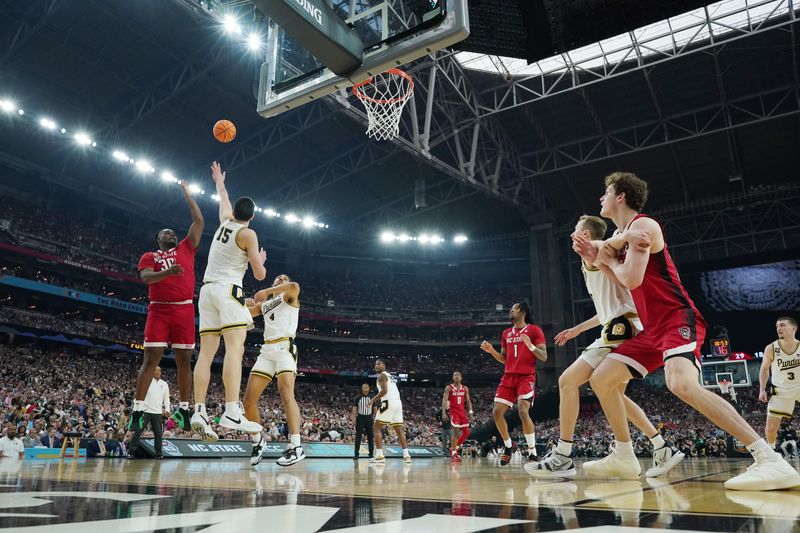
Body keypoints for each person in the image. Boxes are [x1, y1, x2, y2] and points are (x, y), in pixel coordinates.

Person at [573, 171, 800, 490]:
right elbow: (622, 282)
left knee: (680, 383)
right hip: (652, 328)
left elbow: (633, 279)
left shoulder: (644, 225)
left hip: (676, 317)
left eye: (606, 192)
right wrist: (603, 255)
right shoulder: (624, 235)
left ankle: (768, 458)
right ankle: (624, 455)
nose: (601, 198)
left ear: (620, 196)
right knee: (601, 379)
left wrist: (607, 256)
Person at [527, 215, 683, 479]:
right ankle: (661, 446)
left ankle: (563, 456)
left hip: (621, 328)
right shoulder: (600, 259)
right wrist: (578, 329)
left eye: (577, 230)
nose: (573, 235)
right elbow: (605, 310)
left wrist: (623, 237)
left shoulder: (595, 252)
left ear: (585, 235)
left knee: (567, 382)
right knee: (615, 394)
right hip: (624, 324)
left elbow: (604, 244)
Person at [192, 161, 267, 441]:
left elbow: (223, 199)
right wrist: (260, 260)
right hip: (227, 290)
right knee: (235, 347)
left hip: (207, 291)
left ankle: (199, 410)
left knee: (206, 353)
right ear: (253, 217)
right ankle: (232, 410)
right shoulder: (248, 233)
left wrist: (220, 182)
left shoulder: (225, 221)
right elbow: (259, 276)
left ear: (234, 212)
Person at [134, 180, 203, 433]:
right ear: (157, 239)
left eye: (173, 232)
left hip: (184, 309)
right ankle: (137, 409)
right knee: (150, 361)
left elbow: (199, 222)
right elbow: (146, 278)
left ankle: (184, 408)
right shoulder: (149, 256)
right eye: (166, 233)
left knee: (185, 361)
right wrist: (169, 273)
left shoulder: (186, 247)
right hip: (159, 309)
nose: (172, 234)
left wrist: (188, 196)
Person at [243, 274, 304, 467]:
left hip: (285, 347)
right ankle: (257, 440)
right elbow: (246, 313)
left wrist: (266, 291)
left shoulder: (289, 295)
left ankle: (296, 446)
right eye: (278, 278)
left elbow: (294, 285)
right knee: (248, 400)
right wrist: (244, 303)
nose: (282, 279)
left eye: (284, 278)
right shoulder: (265, 305)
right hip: (267, 350)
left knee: (286, 391)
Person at [480, 302, 546, 466]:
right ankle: (509, 447)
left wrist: (530, 346)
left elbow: (543, 356)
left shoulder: (534, 330)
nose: (511, 310)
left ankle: (532, 452)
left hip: (526, 376)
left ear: (523, 312)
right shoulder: (506, 333)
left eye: (514, 308)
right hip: (509, 376)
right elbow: (504, 359)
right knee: (496, 413)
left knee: (523, 411)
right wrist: (491, 351)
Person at [758, 317, 800, 449]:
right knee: (771, 428)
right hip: (781, 390)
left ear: (793, 328)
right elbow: (764, 369)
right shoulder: (771, 348)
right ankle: (771, 453)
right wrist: (762, 389)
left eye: (782, 325)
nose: (778, 329)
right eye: (777, 326)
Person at [369, 359, 411, 463]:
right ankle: (406, 455)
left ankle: (379, 456)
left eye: (379, 364)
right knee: (398, 430)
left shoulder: (382, 375)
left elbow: (384, 391)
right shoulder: (389, 376)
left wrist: (372, 400)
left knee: (376, 427)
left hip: (388, 402)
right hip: (398, 403)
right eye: (375, 364)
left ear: (384, 365)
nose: (376, 366)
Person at [129, 366, 170, 459]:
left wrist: (167, 410)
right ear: (152, 371)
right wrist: (136, 408)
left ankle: (159, 454)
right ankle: (130, 452)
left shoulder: (164, 384)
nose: (157, 372)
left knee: (158, 434)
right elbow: (139, 395)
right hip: (145, 411)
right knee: (138, 432)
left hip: (158, 413)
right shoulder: (146, 381)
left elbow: (166, 399)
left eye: (159, 370)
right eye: (155, 370)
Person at [441, 371, 473, 462]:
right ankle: (454, 453)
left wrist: (470, 413)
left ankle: (454, 448)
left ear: (461, 378)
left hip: (462, 412)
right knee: (456, 432)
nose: (456, 376)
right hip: (454, 412)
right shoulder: (449, 388)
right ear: (453, 378)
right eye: (455, 375)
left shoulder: (465, 388)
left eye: (458, 375)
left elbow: (468, 401)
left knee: (466, 432)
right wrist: (444, 412)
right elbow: (444, 401)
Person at [353, 383, 376, 460]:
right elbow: (354, 409)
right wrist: (353, 419)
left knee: (370, 436)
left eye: (367, 387)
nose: (365, 389)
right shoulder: (357, 398)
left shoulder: (372, 398)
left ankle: (371, 454)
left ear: (369, 389)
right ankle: (356, 455)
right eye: (364, 387)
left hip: (369, 417)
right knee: (358, 437)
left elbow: (375, 409)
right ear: (362, 388)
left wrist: (371, 416)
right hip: (360, 418)